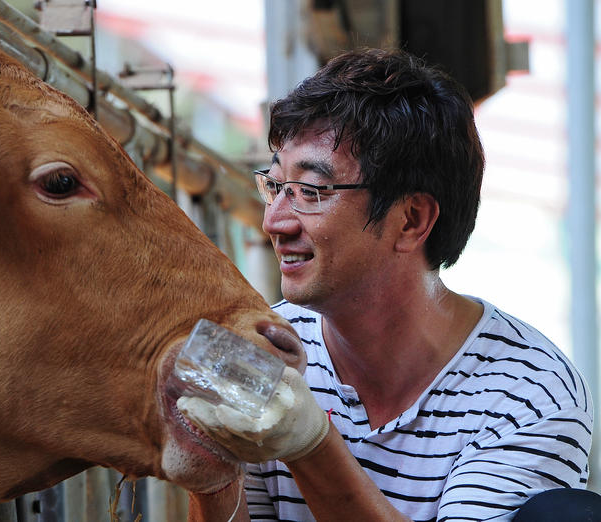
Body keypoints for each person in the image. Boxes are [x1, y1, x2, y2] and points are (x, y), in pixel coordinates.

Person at [178, 48, 593, 521]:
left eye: (311, 192)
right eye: (275, 186)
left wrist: (308, 439)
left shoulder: (525, 392)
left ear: (411, 219)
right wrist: (210, 475)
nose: (275, 221)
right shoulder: (268, 351)